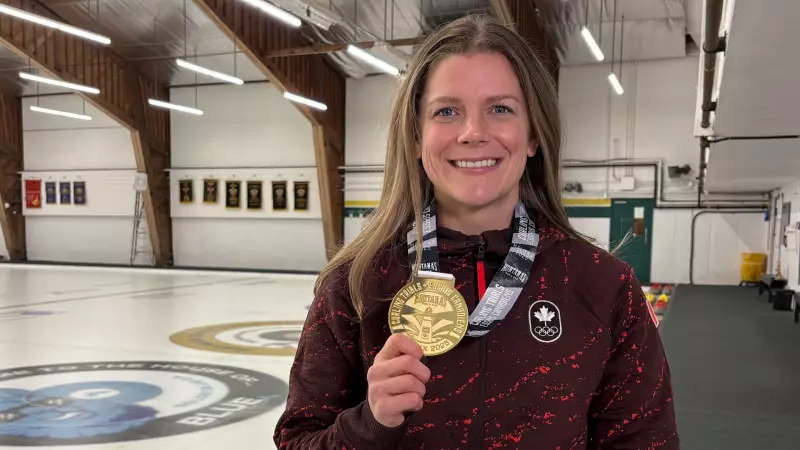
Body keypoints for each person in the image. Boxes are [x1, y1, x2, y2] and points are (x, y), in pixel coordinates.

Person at [273, 15, 679, 449]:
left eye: (500, 109)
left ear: (533, 135)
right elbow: (299, 440)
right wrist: (367, 423)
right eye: (446, 111)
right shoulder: (354, 284)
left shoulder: (603, 286)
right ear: (415, 137)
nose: (473, 133)